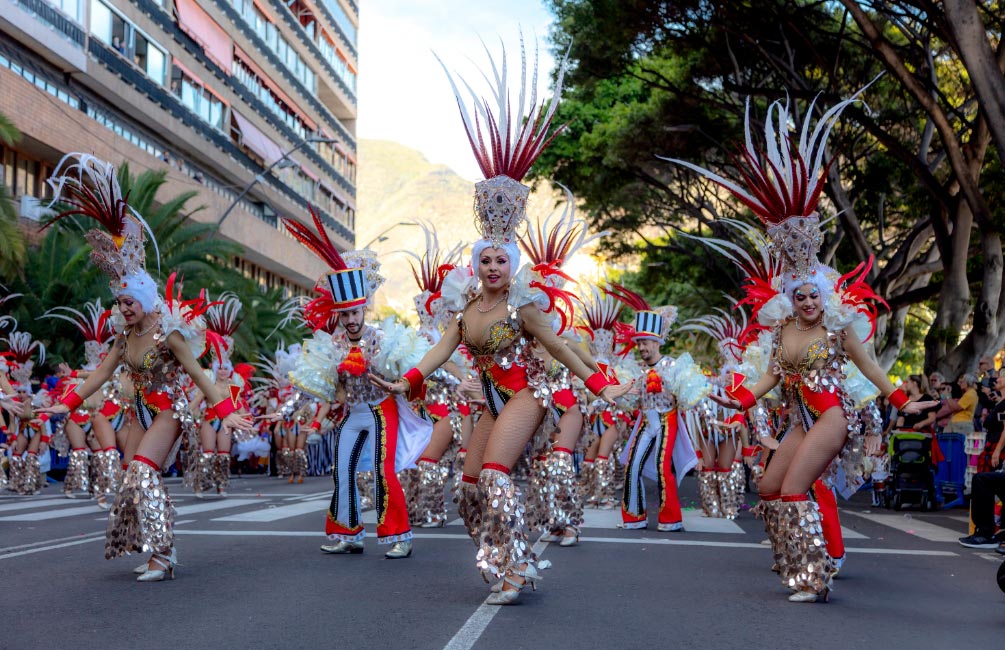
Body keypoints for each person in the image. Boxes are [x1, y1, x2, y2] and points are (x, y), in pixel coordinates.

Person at [373, 36, 632, 605]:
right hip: (484, 398)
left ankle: (516, 568)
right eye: (485, 259)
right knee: (468, 491)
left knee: (493, 476)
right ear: (475, 265)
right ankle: (503, 548)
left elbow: (561, 348)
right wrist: (409, 378)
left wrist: (599, 383)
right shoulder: (465, 307)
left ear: (511, 266)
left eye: (501, 260)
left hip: (525, 392)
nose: (492, 267)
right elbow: (443, 347)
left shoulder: (524, 307)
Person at [669, 89, 936, 603]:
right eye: (802, 294)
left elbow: (870, 365)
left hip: (832, 415)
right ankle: (795, 558)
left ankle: (815, 575)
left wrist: (903, 400)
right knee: (770, 490)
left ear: (824, 293)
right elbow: (771, 375)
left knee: (795, 490)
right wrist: (740, 398)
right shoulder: (781, 330)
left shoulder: (838, 327)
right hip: (798, 419)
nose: (810, 300)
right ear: (791, 297)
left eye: (816, 292)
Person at [38, 154, 252, 582]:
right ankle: (153, 545)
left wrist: (226, 410)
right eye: (119, 302)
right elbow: (99, 374)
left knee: (143, 472)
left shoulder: (168, 332)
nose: (123, 307)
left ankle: (163, 556)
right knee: (128, 480)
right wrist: (67, 402)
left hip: (169, 409)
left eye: (128, 300)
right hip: (138, 409)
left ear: (146, 298)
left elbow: (197, 373)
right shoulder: (122, 335)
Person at [275, 207, 433, 561]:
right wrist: (289, 411)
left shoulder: (382, 339)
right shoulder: (333, 345)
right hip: (353, 413)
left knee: (382, 471)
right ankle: (348, 534)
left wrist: (375, 366)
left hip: (381, 410)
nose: (349, 320)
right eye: (343, 314)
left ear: (364, 310)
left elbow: (412, 370)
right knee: (342, 468)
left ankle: (400, 536)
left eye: (354, 313)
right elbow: (320, 386)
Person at [607, 285, 706, 532]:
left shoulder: (673, 365)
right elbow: (628, 401)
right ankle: (634, 517)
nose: (642, 348)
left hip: (666, 420)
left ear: (658, 342)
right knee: (632, 465)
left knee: (663, 467)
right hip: (645, 422)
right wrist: (619, 395)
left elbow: (689, 396)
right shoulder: (636, 370)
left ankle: (670, 519)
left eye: (647, 343)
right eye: (639, 343)